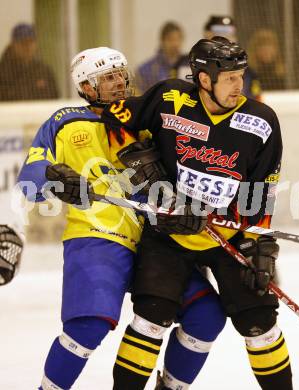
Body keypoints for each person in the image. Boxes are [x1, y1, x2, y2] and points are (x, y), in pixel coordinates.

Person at [17, 46, 226, 390]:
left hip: (154, 241)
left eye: (119, 74)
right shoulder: (65, 121)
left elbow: (185, 170)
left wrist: (189, 211)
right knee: (88, 326)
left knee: (207, 315)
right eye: (106, 77)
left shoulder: (143, 119)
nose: (118, 82)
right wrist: (54, 176)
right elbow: (30, 179)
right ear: (85, 87)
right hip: (97, 234)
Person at [102, 37, 293, 389]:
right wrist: (147, 176)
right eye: (231, 78)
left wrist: (258, 246)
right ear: (204, 79)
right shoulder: (170, 98)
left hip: (226, 236)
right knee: (151, 319)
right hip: (167, 234)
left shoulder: (261, 122)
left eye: (242, 76)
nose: (240, 85)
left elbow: (260, 191)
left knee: (260, 322)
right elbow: (114, 118)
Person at [0, 23, 58, 101]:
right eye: (22, 42)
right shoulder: (3, 73)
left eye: (30, 42)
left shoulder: (44, 71)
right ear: (13, 45)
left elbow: (55, 100)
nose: (27, 47)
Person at [136, 21, 187, 93]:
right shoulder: (147, 70)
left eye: (178, 39)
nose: (175, 44)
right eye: (171, 39)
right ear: (162, 41)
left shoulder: (187, 65)